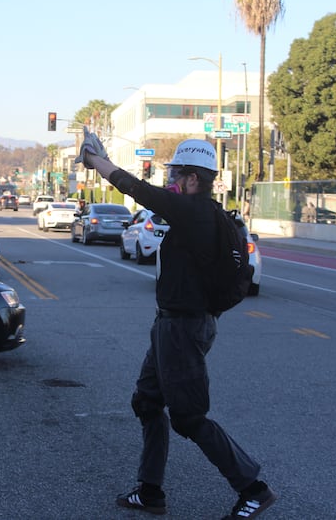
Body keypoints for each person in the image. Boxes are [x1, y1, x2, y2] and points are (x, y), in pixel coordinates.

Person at [75, 131, 276, 519]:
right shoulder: (198, 213)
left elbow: (138, 190)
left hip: (184, 329)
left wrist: (97, 161)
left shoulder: (195, 211)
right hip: (171, 326)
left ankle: (254, 489)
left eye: (175, 175)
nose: (170, 181)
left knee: (189, 416)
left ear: (192, 179)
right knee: (147, 402)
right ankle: (150, 491)